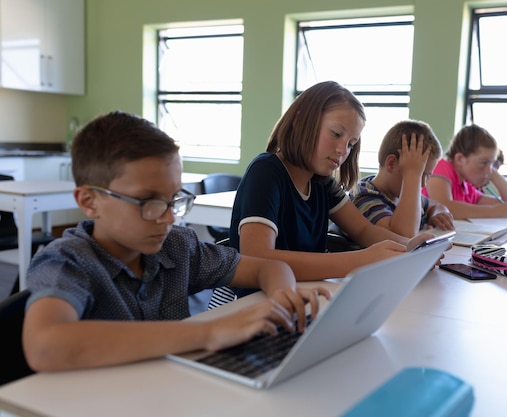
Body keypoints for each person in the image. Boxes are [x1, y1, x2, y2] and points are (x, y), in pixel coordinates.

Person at [22, 111, 330, 372]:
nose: (169, 218)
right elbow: (45, 345)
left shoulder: (176, 247)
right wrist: (208, 332)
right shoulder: (68, 261)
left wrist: (282, 298)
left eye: (174, 200)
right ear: (89, 201)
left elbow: (269, 267)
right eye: (148, 202)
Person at [229, 81, 438, 285]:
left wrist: (411, 248)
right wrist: (359, 260)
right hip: (257, 305)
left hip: (303, 296)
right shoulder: (266, 171)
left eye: (351, 144)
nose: (343, 150)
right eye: (336, 134)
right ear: (301, 121)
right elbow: (257, 258)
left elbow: (365, 231)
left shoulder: (323, 183)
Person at [348, 120, 454, 238]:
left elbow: (436, 205)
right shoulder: (365, 199)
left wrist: (438, 213)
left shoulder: (397, 194)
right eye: (420, 175)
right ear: (392, 163)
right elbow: (403, 236)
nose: (423, 184)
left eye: (427, 175)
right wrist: (412, 176)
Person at [423, 124, 507, 219]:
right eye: (484, 163)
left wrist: (494, 174)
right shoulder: (441, 167)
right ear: (460, 159)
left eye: (492, 164)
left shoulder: (467, 187)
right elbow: (444, 207)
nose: (489, 171)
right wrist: (493, 211)